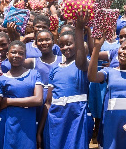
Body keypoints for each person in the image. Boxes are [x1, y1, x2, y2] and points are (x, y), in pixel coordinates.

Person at [37, 11, 94, 149]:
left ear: (77, 44)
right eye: (62, 45)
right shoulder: (55, 69)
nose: (65, 48)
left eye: (69, 44)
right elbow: (48, 102)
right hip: (56, 118)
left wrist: (79, 29)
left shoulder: (83, 64)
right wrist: (40, 131)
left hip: (76, 115)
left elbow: (81, 60)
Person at [0, 40, 43, 149]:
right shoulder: (1, 79)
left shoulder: (34, 74)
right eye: (13, 52)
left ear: (25, 56)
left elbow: (38, 100)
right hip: (5, 125)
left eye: (21, 53)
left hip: (26, 126)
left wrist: (8, 101)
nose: (16, 55)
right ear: (7, 54)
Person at [23, 29, 63, 128]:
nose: (44, 43)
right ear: (36, 43)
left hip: (58, 100)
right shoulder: (32, 61)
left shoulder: (62, 59)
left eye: (47, 39)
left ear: (53, 41)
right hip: (39, 101)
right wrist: (24, 39)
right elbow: (15, 58)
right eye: (40, 40)